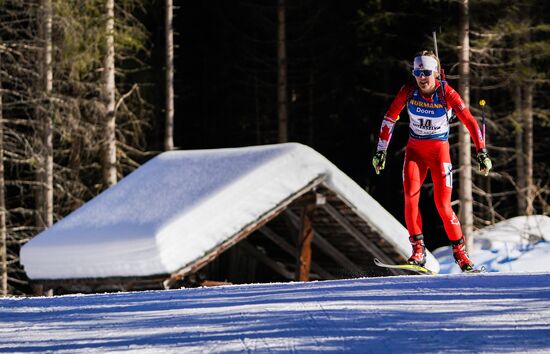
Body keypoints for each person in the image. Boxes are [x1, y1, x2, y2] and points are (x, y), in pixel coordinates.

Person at [372, 50, 492, 272]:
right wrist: (381, 151)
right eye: (418, 72)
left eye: (427, 72)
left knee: (443, 206)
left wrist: (482, 152)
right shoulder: (408, 91)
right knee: (410, 198)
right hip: (415, 152)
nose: (422, 77)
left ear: (436, 73)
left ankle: (462, 256)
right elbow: (390, 118)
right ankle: (418, 251)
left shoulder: (447, 93)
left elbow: (471, 122)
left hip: (439, 153)